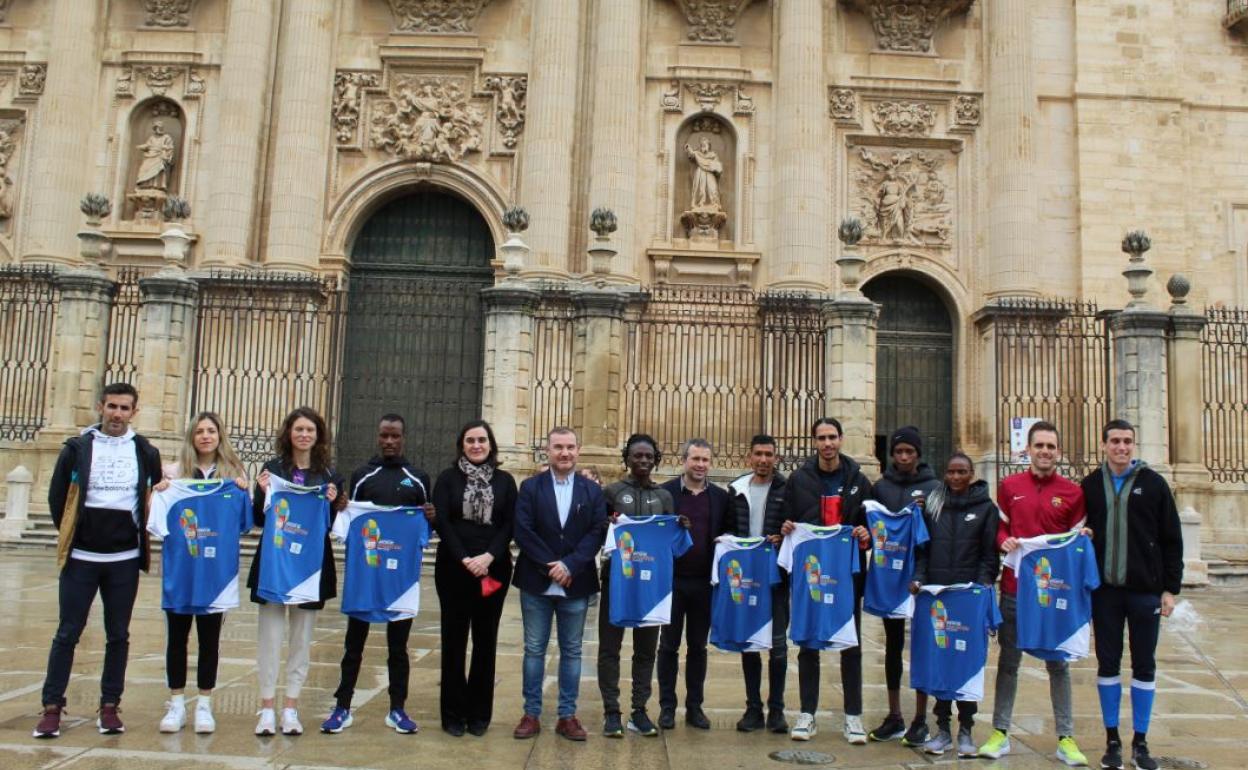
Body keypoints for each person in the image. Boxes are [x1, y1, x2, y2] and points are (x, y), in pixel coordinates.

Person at [34, 382, 163, 739]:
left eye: (124, 408)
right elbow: (57, 496)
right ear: (100, 407)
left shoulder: (145, 452)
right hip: (82, 557)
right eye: (112, 407)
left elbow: (154, 493)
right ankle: (51, 706)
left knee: (118, 634)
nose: (117, 414)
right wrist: (73, 534)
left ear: (134, 412)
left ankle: (110, 705)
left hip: (124, 558)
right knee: (67, 632)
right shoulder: (77, 448)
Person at [979, 420, 1090, 766]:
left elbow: (1075, 542)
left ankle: (1066, 737)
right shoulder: (1009, 486)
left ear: (1058, 451)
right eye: (1039, 445)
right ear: (1027, 449)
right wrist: (1004, 541)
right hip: (1015, 589)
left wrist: (1083, 538)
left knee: (1059, 665)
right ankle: (999, 732)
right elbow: (999, 528)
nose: (1045, 452)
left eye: (1050, 446)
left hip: (1052, 596)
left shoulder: (1073, 493)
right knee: (1008, 663)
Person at [321, 414, 434, 735]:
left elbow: (427, 526)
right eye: (384, 435)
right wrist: (342, 507)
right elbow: (345, 521)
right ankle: (342, 706)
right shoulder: (360, 476)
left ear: (403, 438)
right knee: (353, 645)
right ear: (377, 436)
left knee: (399, 648)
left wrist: (431, 516)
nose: (389, 441)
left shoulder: (419, 478)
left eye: (394, 436)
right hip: (365, 578)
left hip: (401, 581)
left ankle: (398, 708)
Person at [1081, 420, 1183, 770]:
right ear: (1104, 444)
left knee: (1144, 664)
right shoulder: (1090, 486)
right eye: (1115, 441)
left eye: (1127, 441)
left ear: (1133, 445)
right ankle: (1112, 740)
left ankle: (1140, 742)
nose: (1121, 447)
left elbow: (1172, 538)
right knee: (1107, 664)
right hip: (1106, 593)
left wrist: (1170, 588)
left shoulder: (1154, 485)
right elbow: (1078, 537)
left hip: (1145, 593)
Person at [248, 407, 346, 737]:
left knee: (301, 641)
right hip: (274, 565)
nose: (304, 435)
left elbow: (332, 525)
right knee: (269, 639)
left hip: (310, 567)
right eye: (299, 429)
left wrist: (334, 502)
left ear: (318, 436)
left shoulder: (329, 475)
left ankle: (290, 707)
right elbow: (259, 519)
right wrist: (262, 492)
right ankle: (266, 708)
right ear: (288, 433)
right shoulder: (272, 469)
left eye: (310, 430)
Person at [153, 412, 248, 735]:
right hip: (180, 573)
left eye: (211, 431)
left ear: (220, 436)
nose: (206, 436)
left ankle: (204, 704)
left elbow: (245, 523)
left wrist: (244, 491)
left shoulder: (233, 475)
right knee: (176, 640)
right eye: (200, 431)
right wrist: (159, 491)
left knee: (210, 642)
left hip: (216, 577)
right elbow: (153, 520)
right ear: (191, 436)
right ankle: (176, 702)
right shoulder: (173, 475)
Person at [511, 427, 608, 741]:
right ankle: (531, 713)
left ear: (578, 451)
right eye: (558, 447)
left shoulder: (591, 491)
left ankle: (567, 715)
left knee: (572, 651)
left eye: (569, 447)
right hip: (536, 582)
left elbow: (596, 531)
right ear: (548, 451)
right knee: (534, 650)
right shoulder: (530, 487)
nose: (564, 453)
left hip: (576, 582)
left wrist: (571, 564)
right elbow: (523, 531)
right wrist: (552, 566)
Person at [780, 417, 872, 743]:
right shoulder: (799, 480)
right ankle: (807, 714)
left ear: (841, 440)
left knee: (851, 644)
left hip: (846, 576)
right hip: (810, 576)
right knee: (807, 642)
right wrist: (787, 528)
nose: (828, 443)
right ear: (814, 442)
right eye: (822, 438)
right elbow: (784, 520)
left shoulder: (860, 481)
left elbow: (871, 529)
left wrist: (865, 534)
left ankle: (853, 717)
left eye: (832, 437)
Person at [910, 452, 1000, 757]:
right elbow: (922, 551)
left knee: (967, 664)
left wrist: (984, 584)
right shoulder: (933, 506)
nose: (956, 477)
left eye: (962, 471)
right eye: (951, 472)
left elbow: (990, 554)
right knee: (940, 662)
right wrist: (919, 579)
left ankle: (966, 729)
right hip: (938, 597)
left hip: (967, 599)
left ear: (972, 473)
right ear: (945, 474)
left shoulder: (987, 508)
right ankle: (943, 729)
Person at [432, 419, 517, 737]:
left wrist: (488, 557)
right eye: (470, 440)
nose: (477, 445)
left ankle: (479, 714)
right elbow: (442, 520)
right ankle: (453, 714)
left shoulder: (506, 481)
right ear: (462, 445)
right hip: (454, 569)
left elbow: (509, 523)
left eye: (482, 440)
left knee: (485, 641)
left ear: (491, 444)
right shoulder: (447, 479)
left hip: (493, 570)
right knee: (453, 642)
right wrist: (465, 558)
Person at [867, 425, 940, 745]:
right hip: (890, 578)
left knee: (922, 646)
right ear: (892, 454)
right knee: (893, 646)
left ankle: (921, 718)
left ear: (918, 454)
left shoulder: (935, 487)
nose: (904, 456)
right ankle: (895, 714)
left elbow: (940, 531)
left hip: (922, 578)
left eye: (910, 451)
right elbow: (867, 525)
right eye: (899, 451)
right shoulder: (881, 488)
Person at [599, 434, 675, 737]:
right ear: (627, 458)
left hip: (650, 587)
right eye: (636, 456)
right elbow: (598, 531)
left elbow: (670, 541)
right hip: (616, 582)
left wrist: (680, 527)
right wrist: (609, 524)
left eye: (648, 456)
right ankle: (611, 711)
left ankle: (639, 711)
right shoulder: (612, 493)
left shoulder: (665, 497)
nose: (642, 461)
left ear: (656, 459)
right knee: (610, 648)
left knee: (646, 651)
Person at [658, 438, 732, 730]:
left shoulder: (720, 496)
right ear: (684, 460)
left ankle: (695, 707)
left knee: (698, 648)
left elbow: (728, 533)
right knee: (668, 647)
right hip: (673, 581)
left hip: (704, 584)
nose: (700, 465)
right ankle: (667, 707)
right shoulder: (665, 493)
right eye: (695, 459)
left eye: (705, 460)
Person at [726, 434, 790, 734]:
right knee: (750, 642)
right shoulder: (736, 490)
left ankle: (776, 709)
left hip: (776, 578)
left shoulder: (787, 489)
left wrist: (784, 534)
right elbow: (727, 528)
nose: (763, 459)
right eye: (758, 454)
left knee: (777, 645)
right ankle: (753, 708)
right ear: (749, 457)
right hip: (747, 579)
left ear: (775, 458)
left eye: (768, 454)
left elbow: (796, 525)